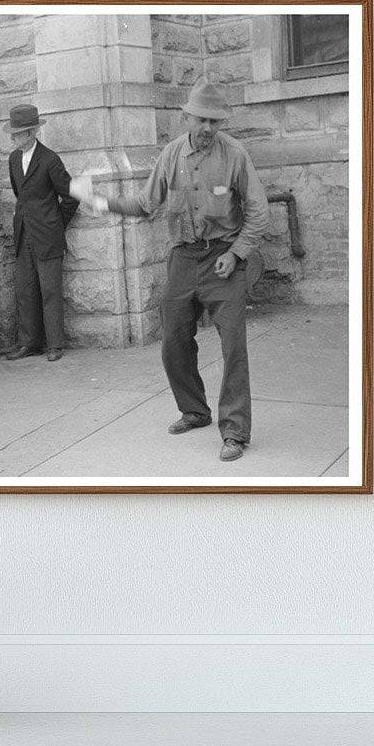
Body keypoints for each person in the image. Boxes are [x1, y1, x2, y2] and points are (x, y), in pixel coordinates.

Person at [81, 79, 269, 463]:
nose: (208, 129)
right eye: (201, 120)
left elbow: (258, 212)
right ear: (186, 118)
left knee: (234, 345)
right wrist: (101, 203)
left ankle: (234, 430)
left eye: (215, 122)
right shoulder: (170, 156)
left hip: (223, 258)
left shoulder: (234, 155)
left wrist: (236, 254)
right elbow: (145, 203)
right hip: (183, 259)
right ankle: (194, 411)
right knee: (173, 343)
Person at [4, 104, 78, 362]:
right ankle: (29, 343)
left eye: (17, 133)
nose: (13, 138)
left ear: (32, 132)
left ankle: (55, 344)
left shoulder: (50, 160)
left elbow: (71, 197)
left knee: (50, 290)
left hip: (47, 236)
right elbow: (19, 194)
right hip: (24, 234)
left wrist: (55, 223)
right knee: (25, 290)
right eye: (13, 134)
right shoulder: (13, 159)